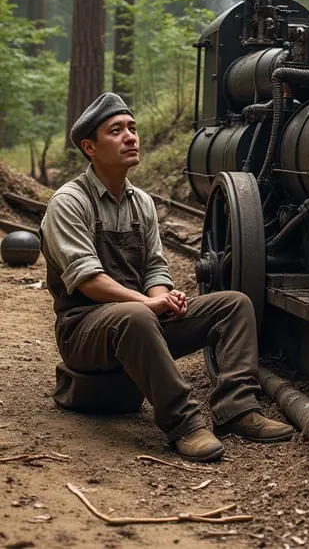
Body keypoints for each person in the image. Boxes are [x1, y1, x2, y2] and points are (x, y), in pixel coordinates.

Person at [41, 93, 293, 462]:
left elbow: (155, 268)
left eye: (133, 128)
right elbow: (87, 280)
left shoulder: (141, 202)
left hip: (136, 319)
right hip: (83, 329)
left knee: (233, 305)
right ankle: (185, 425)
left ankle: (237, 410)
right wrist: (148, 303)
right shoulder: (69, 202)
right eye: (116, 131)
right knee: (138, 315)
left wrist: (164, 298)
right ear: (90, 148)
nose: (130, 137)